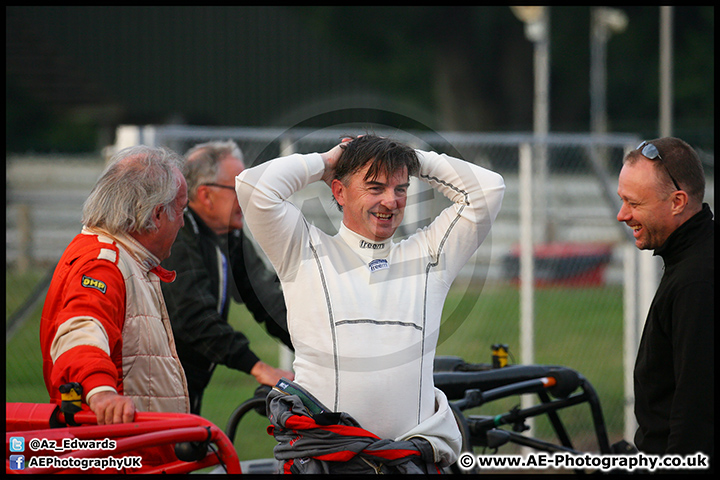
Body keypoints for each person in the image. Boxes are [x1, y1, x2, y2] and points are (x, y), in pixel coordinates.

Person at [236, 134, 505, 473]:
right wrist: (328, 159)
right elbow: (252, 186)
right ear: (339, 192)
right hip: (326, 461)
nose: (390, 201)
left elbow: (488, 190)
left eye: (400, 188)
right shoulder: (305, 250)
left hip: (412, 460)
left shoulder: (428, 257)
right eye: (375, 188)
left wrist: (411, 160)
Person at [40, 145, 190, 426]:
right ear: (157, 215)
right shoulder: (105, 263)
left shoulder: (120, 257)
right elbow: (80, 330)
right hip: (118, 454)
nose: (182, 223)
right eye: (181, 210)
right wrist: (101, 393)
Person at [161, 140, 294, 415]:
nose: (247, 199)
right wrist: (259, 367)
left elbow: (268, 299)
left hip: (187, 384)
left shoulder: (229, 235)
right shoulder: (178, 236)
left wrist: (320, 349)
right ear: (206, 195)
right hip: (151, 387)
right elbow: (193, 318)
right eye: (238, 190)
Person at [617, 137, 714, 470]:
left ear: (677, 202)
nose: (622, 215)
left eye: (633, 203)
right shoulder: (691, 261)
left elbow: (697, 411)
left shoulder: (697, 280)